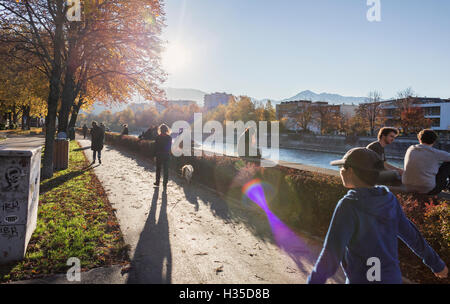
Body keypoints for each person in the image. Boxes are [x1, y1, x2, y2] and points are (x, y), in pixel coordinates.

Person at [307, 147, 447, 284]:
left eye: (342, 168)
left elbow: (331, 255)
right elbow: (412, 236)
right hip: (391, 279)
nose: (341, 171)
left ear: (350, 171)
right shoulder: (389, 200)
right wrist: (436, 264)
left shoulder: (349, 205)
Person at [402, 129, 450, 195]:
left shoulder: (411, 149)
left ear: (419, 139)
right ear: (434, 141)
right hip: (427, 189)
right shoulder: (435, 153)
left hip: (407, 186)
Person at [154, 124, 172, 190]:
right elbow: (169, 148)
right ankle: (165, 184)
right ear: (167, 130)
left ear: (160, 130)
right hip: (166, 155)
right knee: (166, 170)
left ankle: (157, 182)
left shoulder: (157, 137)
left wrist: (155, 156)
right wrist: (169, 155)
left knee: (158, 169)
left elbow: (155, 148)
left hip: (159, 155)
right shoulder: (169, 138)